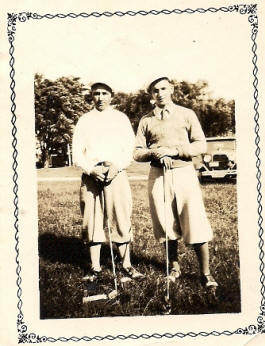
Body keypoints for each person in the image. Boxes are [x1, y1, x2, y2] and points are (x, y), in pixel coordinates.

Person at [133, 77, 218, 288]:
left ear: (171, 89)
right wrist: (154, 153)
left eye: (163, 88)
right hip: (158, 176)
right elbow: (136, 152)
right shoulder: (146, 120)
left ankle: (205, 273)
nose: (159, 93)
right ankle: (174, 267)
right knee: (166, 223)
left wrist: (175, 151)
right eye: (155, 90)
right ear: (151, 95)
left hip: (184, 174)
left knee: (194, 221)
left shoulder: (186, 114)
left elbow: (200, 145)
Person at [72, 82, 144, 281]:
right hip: (91, 175)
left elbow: (129, 148)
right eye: (96, 94)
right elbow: (77, 152)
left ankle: (127, 265)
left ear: (111, 95)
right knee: (92, 219)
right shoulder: (84, 120)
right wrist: (91, 169)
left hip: (116, 172)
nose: (100, 97)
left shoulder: (120, 118)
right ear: (92, 96)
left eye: (104, 93)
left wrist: (117, 167)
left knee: (120, 217)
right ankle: (95, 268)